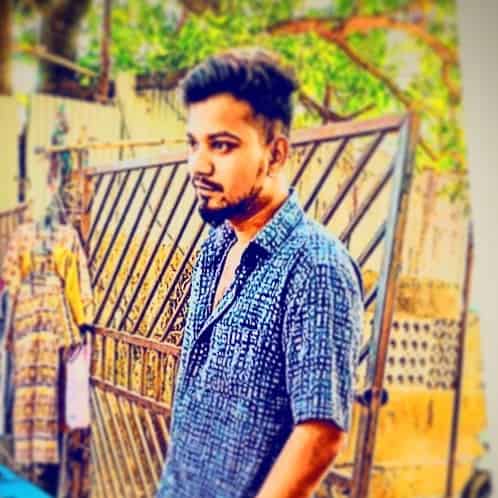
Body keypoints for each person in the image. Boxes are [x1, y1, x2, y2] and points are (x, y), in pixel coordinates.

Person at [157, 48, 364, 498]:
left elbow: (321, 434)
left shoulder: (316, 265)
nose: (198, 165)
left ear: (275, 154)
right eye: (193, 143)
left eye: (221, 145)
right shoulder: (217, 243)